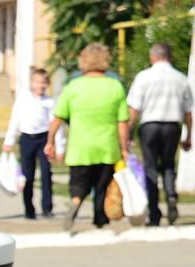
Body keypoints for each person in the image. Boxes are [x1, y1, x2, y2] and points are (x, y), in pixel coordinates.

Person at [45, 43, 130, 232]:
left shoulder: (73, 86)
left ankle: (76, 201)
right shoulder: (115, 86)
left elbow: (57, 118)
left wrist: (50, 142)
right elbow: (122, 122)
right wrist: (124, 148)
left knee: (78, 183)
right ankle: (100, 219)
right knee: (102, 185)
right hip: (107, 146)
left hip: (80, 147)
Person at [126, 42, 194, 226]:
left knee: (150, 168)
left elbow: (133, 108)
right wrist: (189, 135)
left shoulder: (143, 77)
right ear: (170, 57)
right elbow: (188, 112)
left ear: (152, 57)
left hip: (149, 127)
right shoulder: (180, 78)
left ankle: (154, 213)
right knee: (169, 165)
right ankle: (171, 195)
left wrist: (128, 132)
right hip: (172, 127)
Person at [3, 68, 65, 219]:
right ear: (31, 83)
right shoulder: (23, 99)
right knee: (27, 175)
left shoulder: (50, 102)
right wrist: (9, 141)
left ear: (47, 84)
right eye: (37, 82)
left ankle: (47, 207)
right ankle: (29, 209)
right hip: (27, 139)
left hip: (44, 140)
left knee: (46, 173)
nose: (40, 86)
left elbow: (56, 125)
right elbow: (15, 120)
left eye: (43, 83)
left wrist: (59, 146)